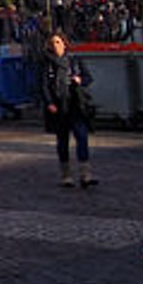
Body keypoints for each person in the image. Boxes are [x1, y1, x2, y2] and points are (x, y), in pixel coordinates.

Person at [40, 33, 97, 188]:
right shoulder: (47, 64)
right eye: (53, 43)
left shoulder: (74, 61)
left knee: (82, 136)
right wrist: (49, 103)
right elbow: (43, 85)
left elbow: (88, 77)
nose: (56, 46)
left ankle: (85, 174)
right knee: (63, 141)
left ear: (65, 44)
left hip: (75, 104)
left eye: (58, 42)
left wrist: (80, 80)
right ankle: (66, 175)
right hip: (58, 106)